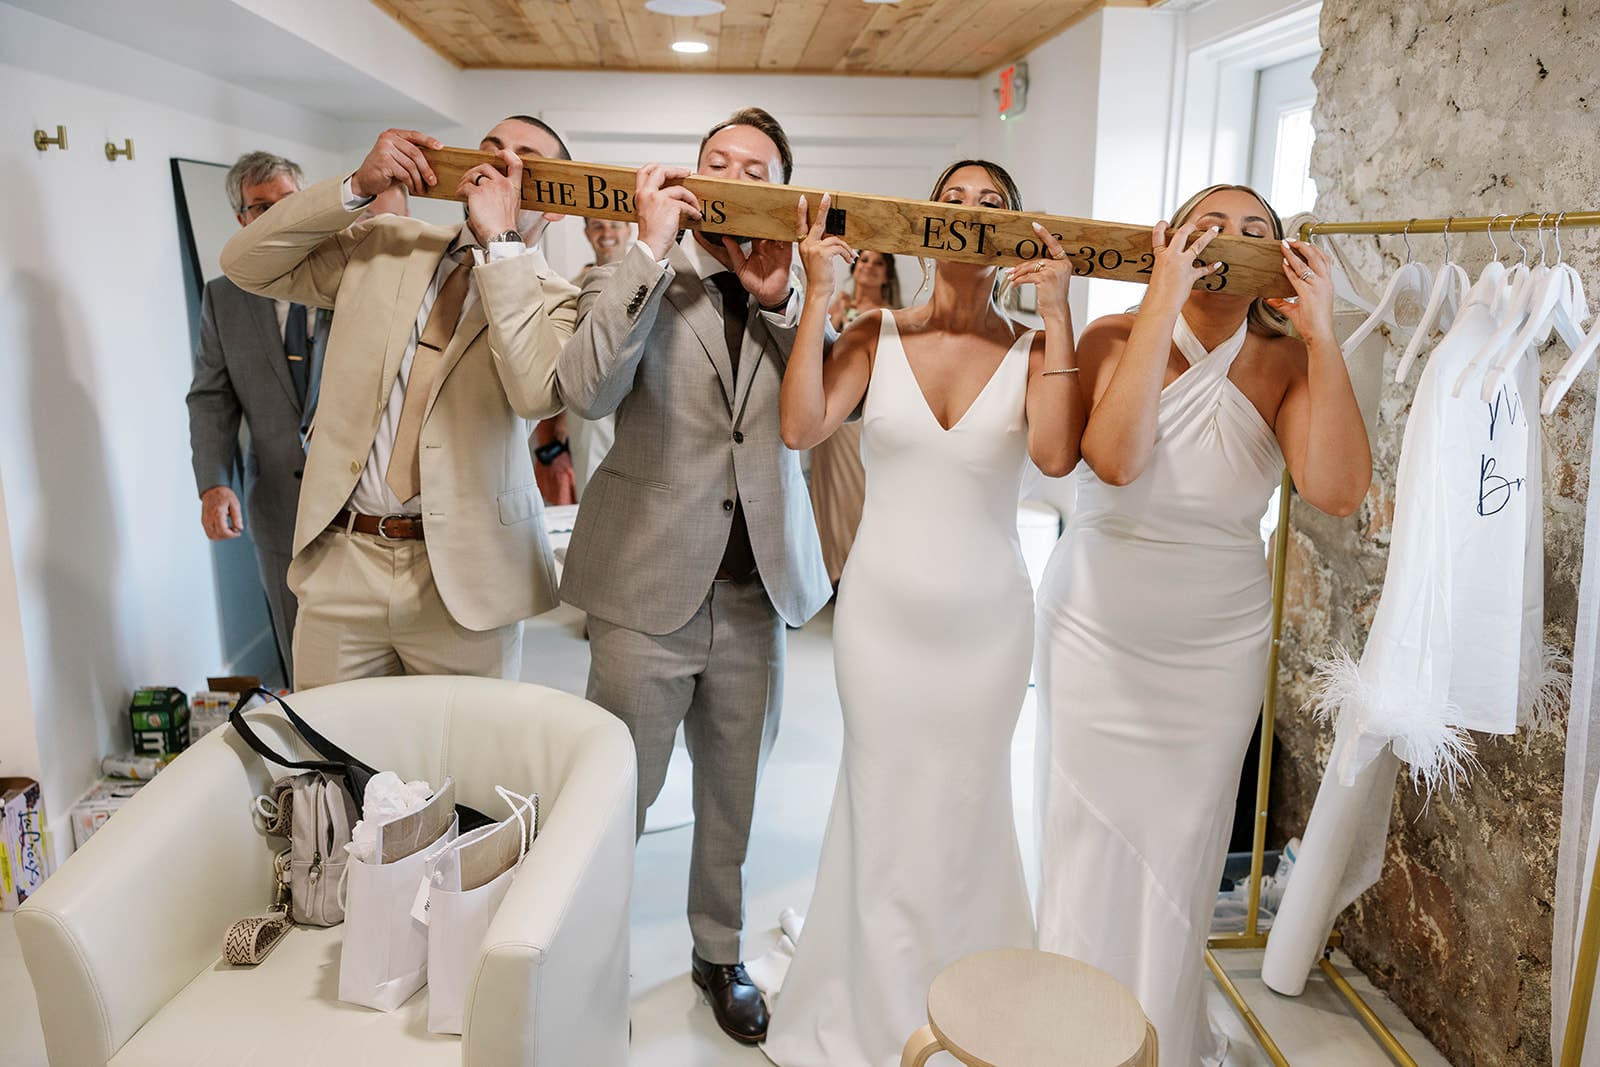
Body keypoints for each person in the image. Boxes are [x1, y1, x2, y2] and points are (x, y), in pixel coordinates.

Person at [1032, 184, 1370, 1066]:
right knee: (1086, 841)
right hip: (1096, 632)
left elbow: (1337, 489)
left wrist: (1324, 332)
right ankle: (1072, 1036)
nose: (1233, 241)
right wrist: (1162, 302)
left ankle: (1156, 1039)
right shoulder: (1115, 336)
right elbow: (1115, 458)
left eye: (1257, 231)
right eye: (1210, 226)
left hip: (1213, 647)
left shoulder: (1289, 359)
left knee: (1182, 850)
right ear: (1174, 239)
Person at [763, 161, 1084, 1067]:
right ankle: (874, 1015)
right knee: (881, 801)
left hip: (986, 628)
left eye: (992, 205)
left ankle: (972, 1008)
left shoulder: (1029, 349)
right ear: (924, 221)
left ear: (1015, 233)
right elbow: (800, 426)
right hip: (881, 623)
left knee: (968, 808)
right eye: (954, 200)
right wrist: (820, 295)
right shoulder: (873, 330)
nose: (970, 216)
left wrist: (1059, 313)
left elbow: (1057, 456)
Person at [556, 107, 830, 1046]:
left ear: (782, 189)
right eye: (717, 161)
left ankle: (719, 951)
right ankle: (588, 965)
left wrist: (789, 304)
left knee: (734, 795)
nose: (730, 175)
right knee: (611, 800)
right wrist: (645, 249)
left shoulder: (800, 289)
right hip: (647, 588)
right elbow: (585, 391)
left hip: (759, 590)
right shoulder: (641, 269)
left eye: (754, 166)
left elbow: (819, 416)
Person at [220, 117, 581, 688]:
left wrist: (503, 246)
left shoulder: (561, 301)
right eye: (490, 151)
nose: (500, 165)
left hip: (466, 580)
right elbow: (245, 263)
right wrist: (356, 187)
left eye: (524, 159)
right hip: (345, 559)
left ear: (557, 203)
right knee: (330, 761)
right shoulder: (385, 245)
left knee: (460, 761)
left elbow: (535, 392)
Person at [187, 151, 326, 683]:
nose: (275, 216)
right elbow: (211, 397)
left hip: (364, 507)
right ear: (242, 221)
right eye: (259, 207)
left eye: (286, 202)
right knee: (299, 656)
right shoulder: (222, 298)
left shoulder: (352, 275)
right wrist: (214, 484)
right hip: (277, 506)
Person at [809, 250, 902, 584]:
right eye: (864, 261)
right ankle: (827, 570)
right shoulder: (837, 305)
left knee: (855, 491)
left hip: (861, 415)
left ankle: (853, 570)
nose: (869, 268)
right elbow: (818, 351)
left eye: (879, 264)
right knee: (825, 490)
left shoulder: (888, 318)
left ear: (888, 275)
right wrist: (834, 317)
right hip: (828, 414)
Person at [534, 216, 637, 503]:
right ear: (587, 232)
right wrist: (562, 419)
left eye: (615, 225)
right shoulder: (572, 289)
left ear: (628, 229)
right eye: (598, 226)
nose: (607, 232)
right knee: (594, 494)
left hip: (639, 400)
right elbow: (564, 358)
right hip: (589, 412)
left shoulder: (651, 280)